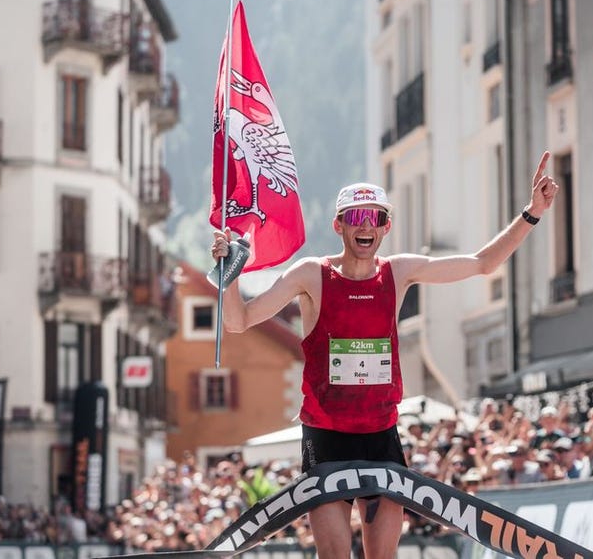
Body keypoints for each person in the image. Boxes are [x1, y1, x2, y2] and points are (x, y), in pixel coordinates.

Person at [210, 152, 558, 559]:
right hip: (326, 439)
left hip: (381, 438)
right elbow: (238, 321)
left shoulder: (398, 271)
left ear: (385, 227)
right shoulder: (311, 275)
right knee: (335, 556)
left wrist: (531, 213)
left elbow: (483, 264)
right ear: (338, 225)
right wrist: (228, 273)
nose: (365, 226)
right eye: (355, 218)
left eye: (374, 218)